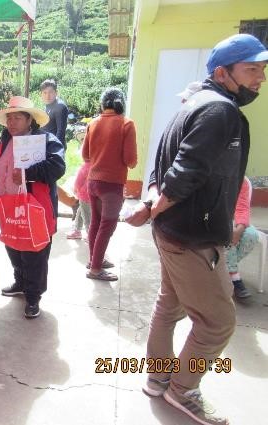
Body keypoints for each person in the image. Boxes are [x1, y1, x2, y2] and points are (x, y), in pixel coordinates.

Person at [126, 34, 267, 425]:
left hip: (172, 231)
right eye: (251, 69)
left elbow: (159, 168)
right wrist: (151, 208)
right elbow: (182, 172)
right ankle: (182, 389)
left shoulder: (190, 104)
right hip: (192, 237)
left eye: (262, 70)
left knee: (168, 305)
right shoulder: (220, 111)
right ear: (222, 73)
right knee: (218, 322)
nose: (260, 78)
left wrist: (150, 205)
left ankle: (158, 379)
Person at [0, 96, 65, 318]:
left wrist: (27, 173)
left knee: (34, 253)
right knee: (13, 246)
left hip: (34, 208)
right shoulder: (3, 140)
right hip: (7, 206)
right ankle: (20, 282)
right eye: (9, 119)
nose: (11, 123)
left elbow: (57, 166)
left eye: (17, 118)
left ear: (29, 120)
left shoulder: (45, 140)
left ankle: (33, 296)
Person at [83, 88, 137, 281]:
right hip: (112, 185)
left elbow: (85, 155)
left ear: (102, 103)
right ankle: (96, 269)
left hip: (93, 182)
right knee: (107, 226)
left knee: (96, 223)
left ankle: (94, 260)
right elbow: (130, 160)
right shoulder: (127, 124)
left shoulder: (93, 123)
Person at [39, 79, 79, 217]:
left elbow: (60, 132)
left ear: (56, 93)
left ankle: (71, 203)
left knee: (48, 181)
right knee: (46, 181)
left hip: (54, 151)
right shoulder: (48, 106)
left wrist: (55, 154)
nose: (48, 95)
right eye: (45, 92)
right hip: (44, 149)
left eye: (50, 92)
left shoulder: (60, 107)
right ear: (41, 94)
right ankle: (73, 203)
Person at [226, 177, 258, 300]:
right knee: (226, 234)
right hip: (212, 221)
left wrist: (239, 229)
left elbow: (243, 208)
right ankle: (235, 278)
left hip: (237, 221)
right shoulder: (212, 174)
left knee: (251, 235)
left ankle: (225, 269)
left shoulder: (242, 181)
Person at [67, 160, 91, 240]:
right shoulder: (102, 163)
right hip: (97, 195)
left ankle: (90, 235)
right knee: (81, 211)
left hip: (86, 195)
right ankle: (77, 230)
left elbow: (78, 181)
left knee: (86, 216)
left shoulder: (87, 165)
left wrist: (76, 189)